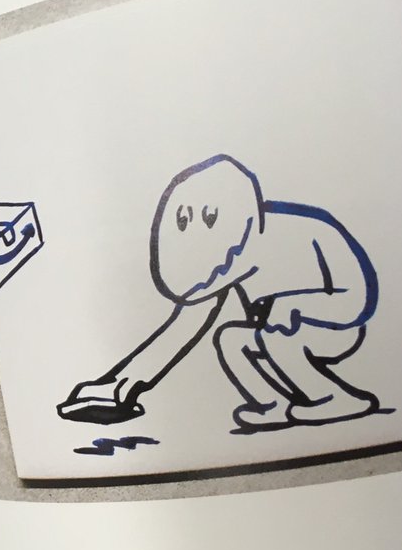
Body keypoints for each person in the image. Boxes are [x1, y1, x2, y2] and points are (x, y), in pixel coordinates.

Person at [59, 154, 383, 432]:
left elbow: (358, 299)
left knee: (275, 338)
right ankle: (268, 404)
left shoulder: (310, 230)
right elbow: (184, 326)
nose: (218, 275)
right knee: (231, 338)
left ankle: (331, 398)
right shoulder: (229, 266)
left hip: (335, 327)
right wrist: (125, 382)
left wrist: (296, 307)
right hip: (273, 333)